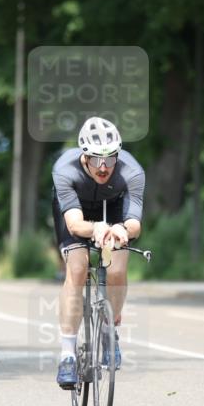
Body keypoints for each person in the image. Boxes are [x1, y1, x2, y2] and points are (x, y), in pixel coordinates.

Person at [52, 117, 145, 389]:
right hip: (78, 213)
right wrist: (96, 229)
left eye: (109, 159)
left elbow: (135, 222)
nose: (103, 167)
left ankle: (109, 333)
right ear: (84, 156)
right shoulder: (64, 170)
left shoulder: (132, 171)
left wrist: (122, 231)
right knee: (78, 269)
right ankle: (67, 355)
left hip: (115, 209)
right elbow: (74, 224)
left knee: (116, 268)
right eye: (95, 160)